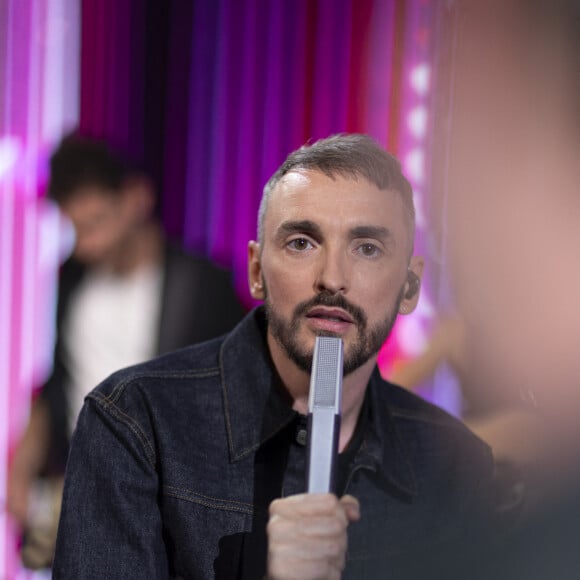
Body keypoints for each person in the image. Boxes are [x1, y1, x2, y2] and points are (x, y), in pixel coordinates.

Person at [52, 134, 496, 579]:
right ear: (256, 271)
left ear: (409, 287)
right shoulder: (133, 424)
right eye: (302, 242)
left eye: (367, 248)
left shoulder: (456, 465)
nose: (332, 279)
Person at [7, 132, 245, 569]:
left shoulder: (202, 286)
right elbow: (58, 380)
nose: (86, 244)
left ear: (136, 198)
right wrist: (21, 470)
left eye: (96, 222)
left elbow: (239, 403)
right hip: (81, 498)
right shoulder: (71, 278)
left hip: (172, 516)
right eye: (76, 228)